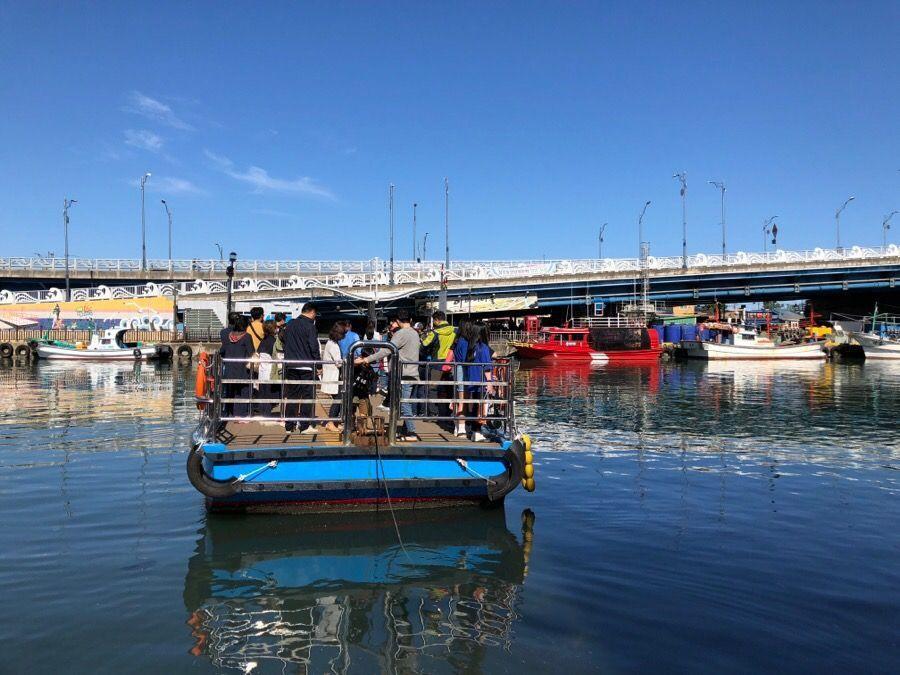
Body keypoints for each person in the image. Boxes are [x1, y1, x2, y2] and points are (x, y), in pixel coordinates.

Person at [356, 310, 420, 441]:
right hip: (412, 371)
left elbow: (386, 350)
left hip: (403, 373)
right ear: (411, 319)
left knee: (403, 403)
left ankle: (412, 432)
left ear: (397, 321)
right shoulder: (415, 333)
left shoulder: (401, 333)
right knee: (402, 402)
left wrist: (366, 359)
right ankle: (404, 430)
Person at [281, 302, 322, 433]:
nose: (315, 317)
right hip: (306, 366)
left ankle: (289, 425)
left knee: (292, 396)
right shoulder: (310, 326)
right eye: (315, 314)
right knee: (307, 397)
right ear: (312, 312)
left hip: (291, 365)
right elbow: (314, 347)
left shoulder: (290, 324)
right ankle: (304, 426)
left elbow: (284, 340)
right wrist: (319, 365)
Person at [420, 310, 457, 420]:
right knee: (450, 388)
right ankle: (450, 412)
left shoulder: (434, 332)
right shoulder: (455, 331)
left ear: (436, 320)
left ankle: (434, 413)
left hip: (437, 363)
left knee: (432, 388)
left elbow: (424, 345)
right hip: (451, 362)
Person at [221, 314, 254, 419]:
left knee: (231, 392)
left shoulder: (229, 335)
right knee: (243, 392)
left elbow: (222, 350)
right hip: (242, 369)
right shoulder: (246, 337)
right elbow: (251, 353)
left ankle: (229, 413)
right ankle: (241, 415)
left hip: (229, 369)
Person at [466, 323, 495, 442]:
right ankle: (477, 431)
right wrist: (490, 382)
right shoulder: (483, 348)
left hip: (471, 379)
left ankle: (473, 431)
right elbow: (486, 367)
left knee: (474, 406)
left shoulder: (471, 347)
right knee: (481, 406)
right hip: (481, 380)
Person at [451, 321, 476, 436]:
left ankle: (457, 426)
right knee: (463, 401)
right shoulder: (465, 342)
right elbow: (467, 359)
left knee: (458, 399)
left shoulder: (457, 340)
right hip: (464, 370)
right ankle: (461, 428)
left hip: (456, 369)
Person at [321, 322, 345, 433]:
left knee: (338, 398)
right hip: (333, 376)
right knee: (338, 399)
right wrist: (348, 361)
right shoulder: (334, 345)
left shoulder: (330, 343)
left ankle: (334, 421)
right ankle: (331, 422)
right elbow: (338, 363)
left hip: (330, 374)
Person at [254, 320, 278, 416]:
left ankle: (262, 411)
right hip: (270, 369)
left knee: (262, 391)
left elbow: (259, 353)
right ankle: (267, 413)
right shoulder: (273, 341)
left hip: (262, 369)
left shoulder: (263, 341)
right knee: (268, 392)